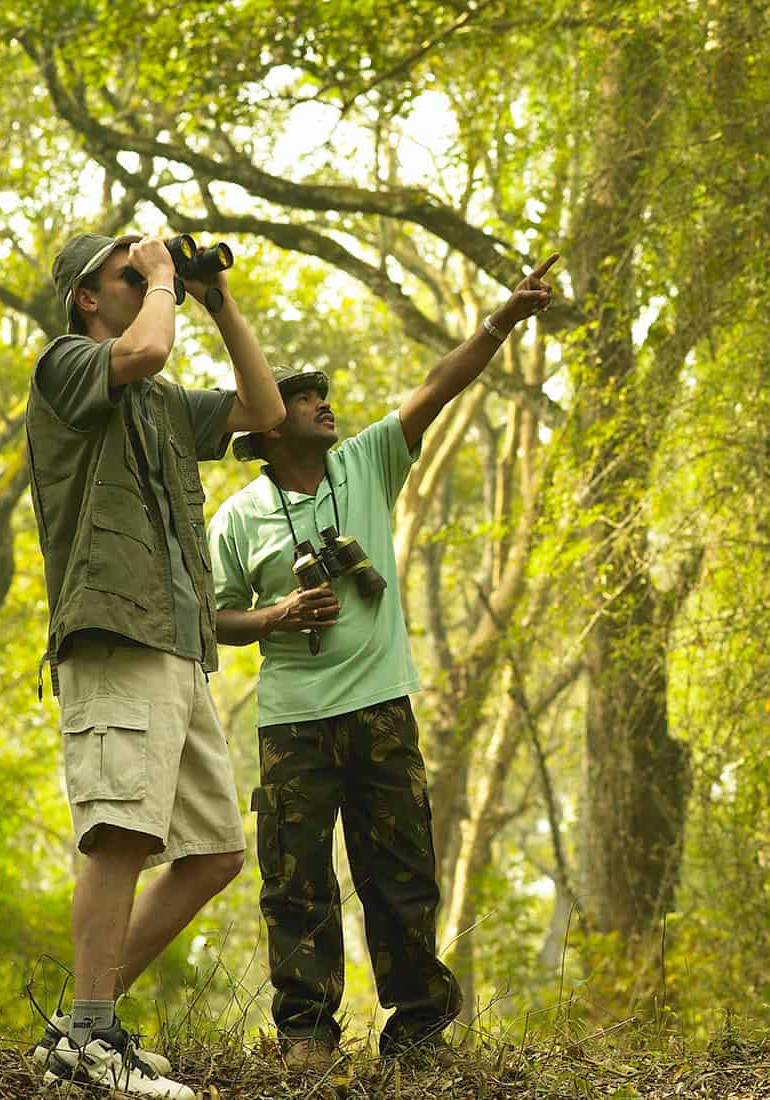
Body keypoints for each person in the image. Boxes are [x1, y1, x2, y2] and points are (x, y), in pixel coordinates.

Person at [208, 254, 557, 1068]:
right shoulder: (238, 517)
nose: (322, 403)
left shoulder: (365, 462)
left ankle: (419, 1036)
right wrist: (277, 615)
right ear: (267, 426)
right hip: (293, 722)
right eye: (303, 398)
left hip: (381, 708)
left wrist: (503, 319)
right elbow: (213, 617)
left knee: (401, 873)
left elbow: (439, 386)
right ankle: (307, 1035)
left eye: (320, 393)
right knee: (295, 883)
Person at [22, 231, 284, 1099]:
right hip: (114, 631)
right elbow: (145, 350)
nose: (145, 286)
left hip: (179, 641)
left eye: (147, 276)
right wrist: (167, 278)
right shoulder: (65, 364)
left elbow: (264, 412)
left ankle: (76, 1031)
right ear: (87, 297)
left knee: (214, 852)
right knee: (122, 833)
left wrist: (218, 301)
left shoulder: (163, 401)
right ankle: (93, 1039)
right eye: (128, 277)